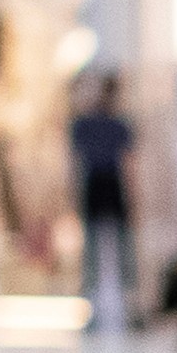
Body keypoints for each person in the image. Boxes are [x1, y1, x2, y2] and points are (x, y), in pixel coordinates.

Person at [71, 71, 141, 329]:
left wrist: (133, 199)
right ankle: (93, 307)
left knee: (121, 248)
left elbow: (128, 164)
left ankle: (130, 305)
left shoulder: (117, 124)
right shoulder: (84, 124)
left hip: (111, 184)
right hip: (97, 185)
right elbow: (76, 164)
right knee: (94, 250)